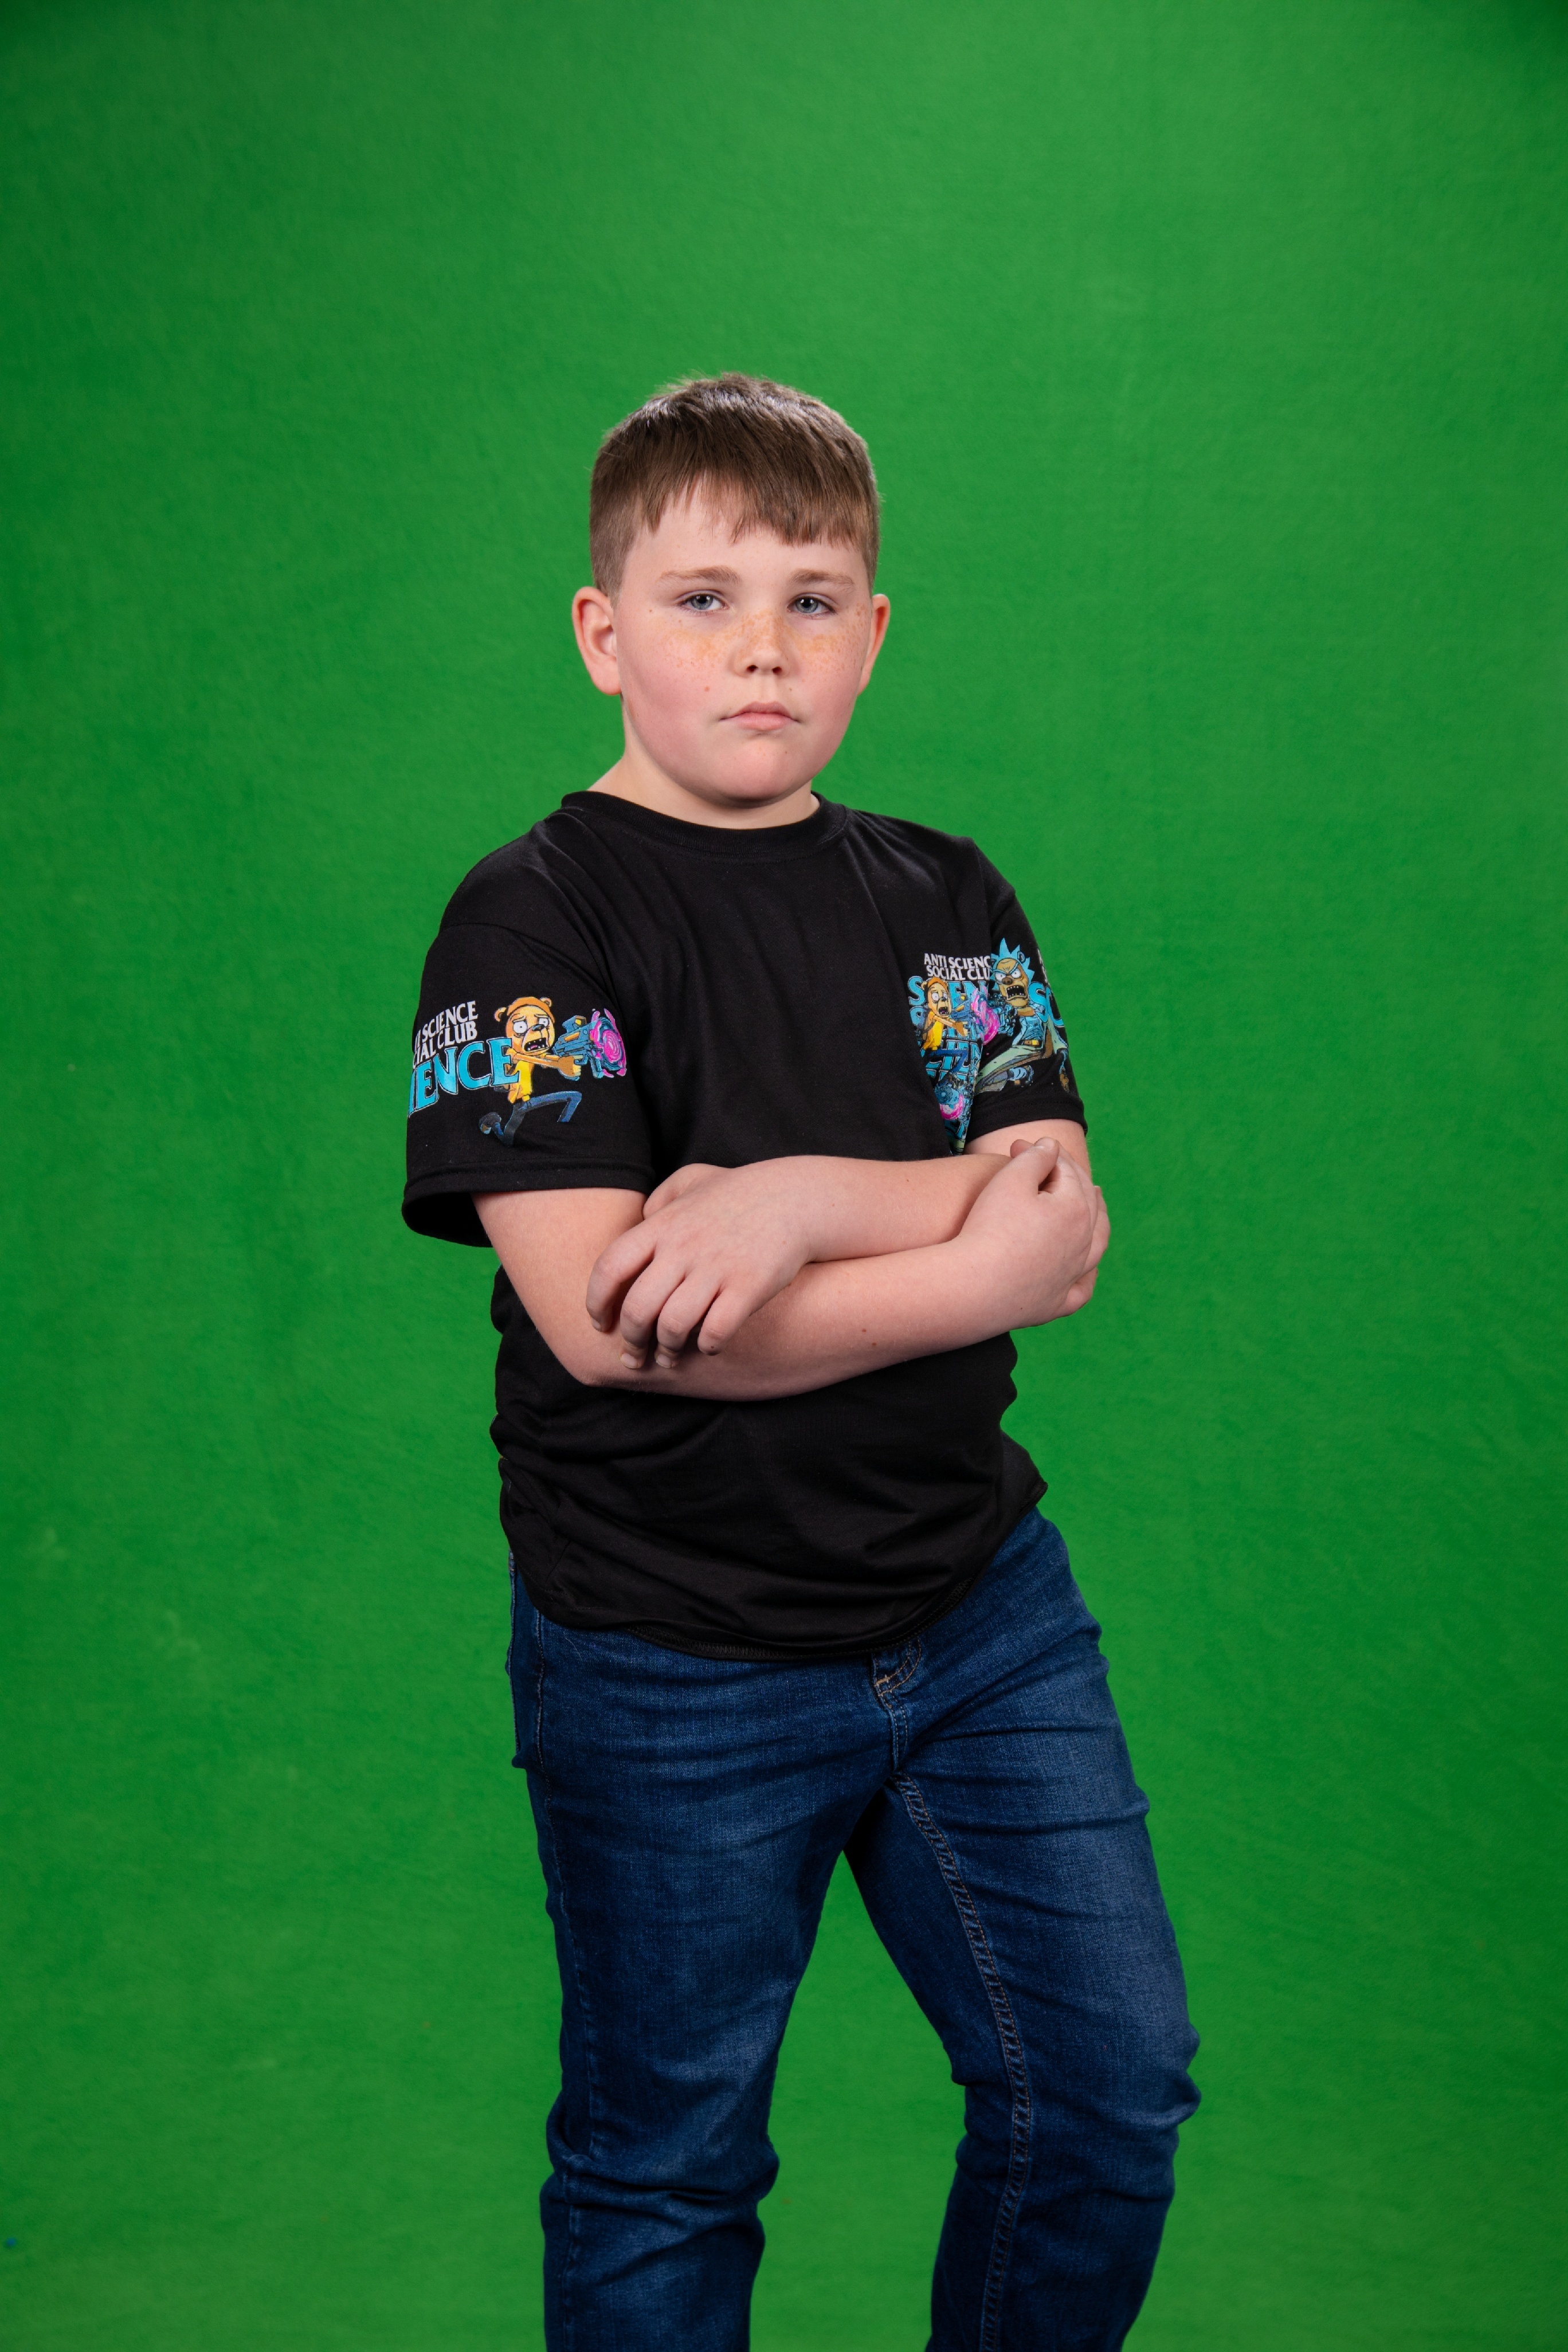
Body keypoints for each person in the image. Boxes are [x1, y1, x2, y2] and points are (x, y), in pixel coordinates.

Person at [403, 374, 1199, 2351]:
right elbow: (615, 1331)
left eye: (813, 599)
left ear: (873, 632)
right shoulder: (526, 925)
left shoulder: (949, 896)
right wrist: (965, 1248)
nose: (763, 645)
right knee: (667, 2165)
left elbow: (1061, 1214)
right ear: (604, 632)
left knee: (1107, 2094)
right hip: (669, 1652)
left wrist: (786, 1202)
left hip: (980, 1612)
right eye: (704, 598)